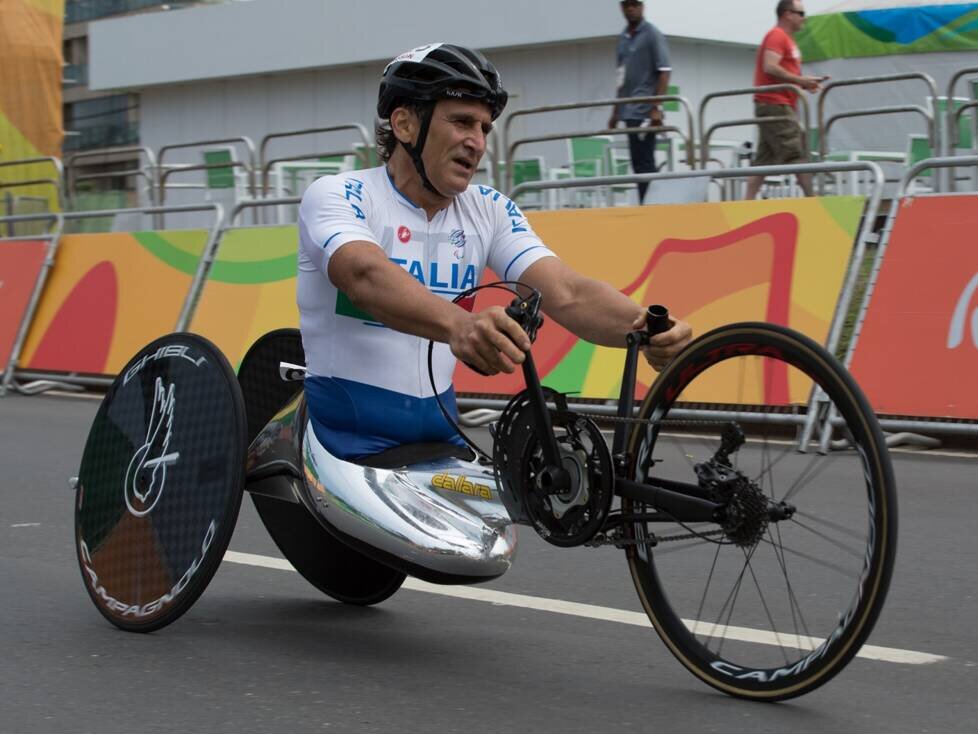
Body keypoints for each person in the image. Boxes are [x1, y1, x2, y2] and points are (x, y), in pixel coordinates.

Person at [297, 43, 692, 461]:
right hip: (344, 443)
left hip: (439, 439)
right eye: (463, 122)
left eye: (485, 128)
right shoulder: (339, 193)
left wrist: (644, 329)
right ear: (405, 124)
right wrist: (459, 325)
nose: (478, 142)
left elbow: (568, 292)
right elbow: (364, 276)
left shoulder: (489, 208)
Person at [744, 0, 827, 200]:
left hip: (776, 103)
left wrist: (803, 83)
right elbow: (770, 67)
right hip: (775, 103)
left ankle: (744, 203)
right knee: (796, 153)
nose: (803, 18)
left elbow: (779, 70)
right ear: (787, 14)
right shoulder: (777, 36)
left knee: (764, 160)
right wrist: (801, 81)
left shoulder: (786, 39)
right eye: (801, 13)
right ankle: (812, 201)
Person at [607, 0, 672, 204]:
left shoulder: (652, 34)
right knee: (637, 163)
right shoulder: (623, 38)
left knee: (645, 161)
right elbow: (621, 77)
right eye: (627, 5)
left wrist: (656, 107)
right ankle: (647, 203)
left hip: (645, 110)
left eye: (635, 5)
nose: (631, 9)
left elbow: (664, 71)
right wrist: (615, 111)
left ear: (642, 7)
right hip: (629, 111)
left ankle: (653, 205)